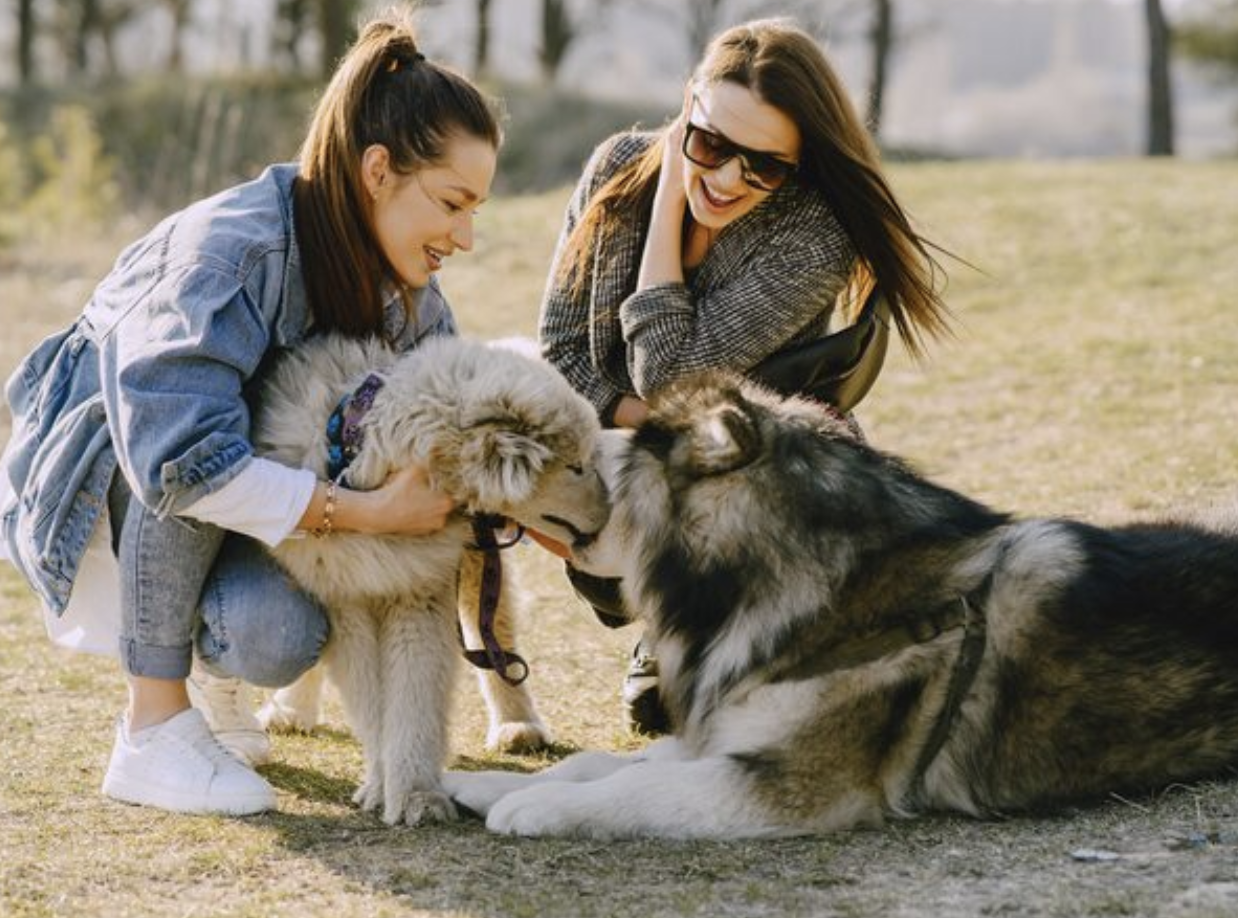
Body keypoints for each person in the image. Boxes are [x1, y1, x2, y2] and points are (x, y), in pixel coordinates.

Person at [0, 9, 500, 816]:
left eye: (476, 209)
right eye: (453, 202)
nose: (466, 234)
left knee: (276, 636)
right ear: (378, 171)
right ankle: (152, 727)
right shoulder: (233, 252)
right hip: (113, 483)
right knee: (196, 446)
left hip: (243, 498)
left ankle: (215, 671)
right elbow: (174, 456)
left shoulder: (412, 299)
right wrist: (366, 512)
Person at [537, 18, 952, 734]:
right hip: (619, 456)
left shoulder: (812, 235)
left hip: (746, 477)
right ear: (687, 103)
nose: (728, 178)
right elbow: (560, 352)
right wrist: (647, 422)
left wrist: (671, 197)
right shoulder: (614, 169)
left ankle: (708, 632)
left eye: (764, 165)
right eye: (711, 144)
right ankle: (665, 619)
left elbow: (670, 377)